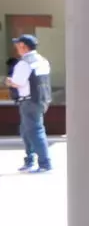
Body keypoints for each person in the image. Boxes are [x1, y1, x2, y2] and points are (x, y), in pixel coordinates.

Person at [9, 34, 52, 173]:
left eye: (18, 45)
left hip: (28, 101)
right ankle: (30, 160)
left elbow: (17, 82)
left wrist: (8, 81)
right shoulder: (43, 60)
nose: (16, 48)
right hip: (41, 99)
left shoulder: (24, 63)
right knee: (27, 131)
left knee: (34, 131)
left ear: (23, 46)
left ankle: (44, 164)